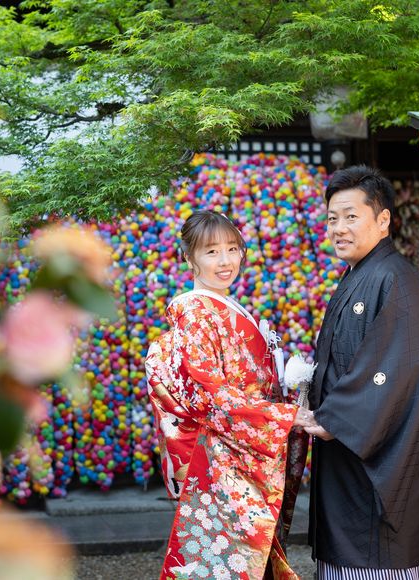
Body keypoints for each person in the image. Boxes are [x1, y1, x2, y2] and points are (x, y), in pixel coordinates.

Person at [145, 210, 310, 579]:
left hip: (242, 446)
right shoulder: (194, 312)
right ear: (188, 257)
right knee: (227, 563)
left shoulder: (223, 306)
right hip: (223, 453)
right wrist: (284, 416)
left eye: (232, 249)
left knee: (242, 561)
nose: (225, 262)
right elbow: (211, 393)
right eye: (212, 252)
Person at [303, 165, 419, 578]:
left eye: (351, 216)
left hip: (380, 454)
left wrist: (334, 418)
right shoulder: (359, 276)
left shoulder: (394, 278)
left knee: (378, 552)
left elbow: (395, 369)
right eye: (332, 218)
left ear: (383, 220)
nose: (338, 228)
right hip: (347, 451)